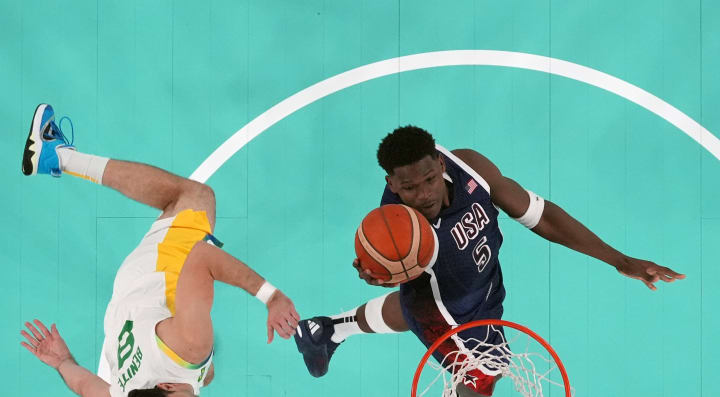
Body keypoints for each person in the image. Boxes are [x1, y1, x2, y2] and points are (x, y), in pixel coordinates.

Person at [294, 126, 686, 396]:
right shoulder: (401, 231)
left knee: (407, 311)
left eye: (429, 178)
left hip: (484, 287)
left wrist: (618, 259)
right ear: (391, 184)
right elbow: (384, 266)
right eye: (409, 187)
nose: (424, 193)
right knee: (487, 373)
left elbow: (541, 216)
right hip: (445, 315)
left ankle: (327, 330)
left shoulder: (471, 168)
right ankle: (336, 332)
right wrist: (377, 273)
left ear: (441, 164)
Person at [19, 104, 300, 397]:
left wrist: (272, 297)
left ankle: (56, 156)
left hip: (153, 274)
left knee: (196, 198)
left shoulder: (191, 346)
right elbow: (89, 388)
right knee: (207, 375)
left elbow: (203, 258)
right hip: (123, 311)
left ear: (166, 386)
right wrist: (63, 361)